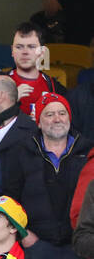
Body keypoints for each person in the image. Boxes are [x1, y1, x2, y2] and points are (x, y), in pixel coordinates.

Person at [0, 75, 56, 243]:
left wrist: (24, 231)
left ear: (1, 96)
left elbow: (37, 190)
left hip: (23, 232)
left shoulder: (35, 134)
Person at [33, 94, 92, 245]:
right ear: (38, 122)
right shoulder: (22, 152)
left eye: (62, 113)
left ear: (69, 118)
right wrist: (24, 235)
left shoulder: (88, 152)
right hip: (35, 245)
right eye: (49, 114)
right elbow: (11, 195)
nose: (57, 119)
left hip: (78, 245)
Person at [7, 21, 64, 121]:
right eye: (19, 47)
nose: (25, 52)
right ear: (12, 51)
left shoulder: (55, 88)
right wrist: (10, 102)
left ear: (42, 52)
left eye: (31, 47)